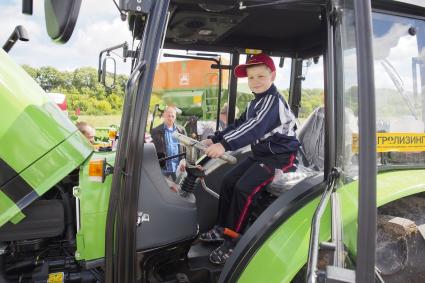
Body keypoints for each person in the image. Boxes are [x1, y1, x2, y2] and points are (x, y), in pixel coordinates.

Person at [200, 53, 299, 264]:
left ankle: (233, 242)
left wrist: (224, 145)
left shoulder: (272, 102)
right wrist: (214, 139)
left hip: (281, 158)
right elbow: (239, 124)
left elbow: (253, 129)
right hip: (262, 154)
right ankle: (222, 228)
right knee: (228, 181)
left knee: (244, 188)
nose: (255, 82)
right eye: (251, 77)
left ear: (272, 75)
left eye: (261, 76)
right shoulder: (257, 102)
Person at [151, 106, 186, 180]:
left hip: (178, 168)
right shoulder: (155, 131)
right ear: (164, 116)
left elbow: (186, 148)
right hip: (163, 169)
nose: (170, 118)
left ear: (175, 117)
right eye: (168, 116)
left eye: (172, 116)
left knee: (178, 189)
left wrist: (184, 161)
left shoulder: (181, 130)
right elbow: (153, 151)